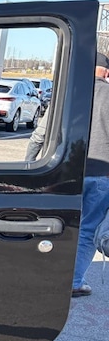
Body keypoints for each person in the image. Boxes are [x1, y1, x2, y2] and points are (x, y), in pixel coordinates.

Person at [71, 50, 109, 297]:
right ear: (106, 71)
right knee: (87, 229)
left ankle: (53, 275)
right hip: (102, 174)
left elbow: (40, 135)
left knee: (65, 226)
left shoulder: (71, 94)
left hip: (68, 172)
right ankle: (74, 281)